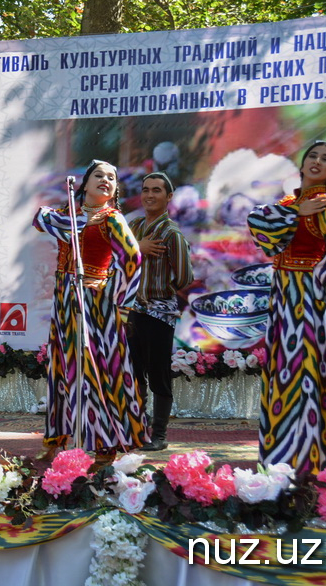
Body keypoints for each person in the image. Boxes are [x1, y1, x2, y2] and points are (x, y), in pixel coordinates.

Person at [33, 160, 147, 467]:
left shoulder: (112, 219)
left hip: (95, 306)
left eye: (112, 178)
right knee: (62, 366)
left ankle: (104, 445)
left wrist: (115, 295)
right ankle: (57, 440)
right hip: (64, 301)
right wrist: (71, 215)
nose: (106, 180)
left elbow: (133, 258)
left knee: (95, 370)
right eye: (99, 175)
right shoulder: (67, 216)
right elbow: (39, 219)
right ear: (85, 184)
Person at [247, 141, 326, 474]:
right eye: (313, 157)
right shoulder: (290, 204)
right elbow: (257, 222)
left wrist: (321, 281)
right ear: (302, 165)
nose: (318, 162)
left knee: (307, 371)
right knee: (283, 372)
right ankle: (280, 459)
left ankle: (311, 460)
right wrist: (295, 213)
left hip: (308, 299)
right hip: (283, 300)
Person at [127, 172, 194, 451]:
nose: (149, 195)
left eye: (157, 190)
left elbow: (184, 278)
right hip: (132, 312)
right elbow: (115, 256)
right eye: (145, 190)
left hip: (159, 315)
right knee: (133, 372)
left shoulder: (172, 234)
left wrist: (159, 288)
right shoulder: (133, 227)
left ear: (169, 197)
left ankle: (160, 435)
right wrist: (136, 249)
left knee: (158, 375)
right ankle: (138, 429)